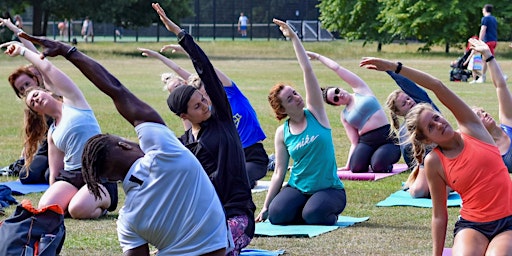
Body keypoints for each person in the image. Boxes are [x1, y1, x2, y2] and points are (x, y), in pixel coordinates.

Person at [20, 30, 232, 256]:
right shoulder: (165, 151)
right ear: (123, 144)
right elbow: (116, 89)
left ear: (110, 178)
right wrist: (68, 51)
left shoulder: (128, 219)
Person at [360, 39, 512, 255]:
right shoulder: (434, 162)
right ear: (427, 140)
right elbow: (439, 215)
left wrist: (395, 68)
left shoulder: (472, 128)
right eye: (431, 126)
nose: (439, 124)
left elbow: (437, 87)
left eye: (436, 118)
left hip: (507, 221)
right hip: (473, 226)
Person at [153, 3, 255, 255]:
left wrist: (181, 34)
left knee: (213, 249)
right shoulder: (184, 143)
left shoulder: (222, 122)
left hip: (236, 216)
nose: (205, 105)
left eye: (204, 99)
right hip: (203, 218)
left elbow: (206, 70)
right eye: (198, 106)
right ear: (184, 116)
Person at [2, 37, 117, 219]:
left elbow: (47, 68)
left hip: (96, 173)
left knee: (77, 210)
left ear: (46, 91)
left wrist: (22, 50)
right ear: (37, 111)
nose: (36, 99)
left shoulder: (74, 101)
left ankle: (100, 204)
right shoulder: (53, 132)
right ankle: (77, 200)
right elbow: (54, 173)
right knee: (46, 207)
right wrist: (54, 190)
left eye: (36, 95)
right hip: (72, 176)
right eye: (33, 103)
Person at [255, 19, 346, 226]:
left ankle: (315, 211)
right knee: (276, 216)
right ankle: (305, 209)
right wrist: (266, 206)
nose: (297, 97)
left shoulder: (316, 113)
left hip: (329, 189)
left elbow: (307, 71)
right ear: (282, 110)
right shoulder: (282, 132)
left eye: (295, 93)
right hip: (298, 187)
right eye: (290, 99)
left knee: (313, 215)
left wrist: (294, 37)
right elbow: (279, 172)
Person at [139, 45, 269, 189]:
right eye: (202, 96)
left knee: (236, 179)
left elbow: (206, 67)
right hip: (228, 158)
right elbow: (191, 139)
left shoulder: (232, 94)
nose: (206, 98)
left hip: (253, 156)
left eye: (207, 92)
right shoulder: (207, 112)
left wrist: (188, 50)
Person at [307, 51, 401, 173]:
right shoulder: (344, 116)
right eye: (335, 99)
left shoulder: (360, 89)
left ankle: (381, 161)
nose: (338, 95)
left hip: (386, 138)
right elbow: (354, 141)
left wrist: (318, 56)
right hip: (366, 142)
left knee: (378, 166)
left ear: (340, 87)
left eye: (336, 91)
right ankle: (371, 158)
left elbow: (337, 68)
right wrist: (348, 166)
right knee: (356, 168)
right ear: (337, 104)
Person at [381, 71, 440, 198]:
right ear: (399, 113)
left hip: (445, 158)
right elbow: (412, 160)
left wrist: (391, 69)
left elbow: (412, 88)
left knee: (438, 190)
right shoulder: (405, 131)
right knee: (418, 192)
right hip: (428, 165)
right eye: (404, 104)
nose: (409, 102)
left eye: (408, 98)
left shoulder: (426, 107)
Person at [476, 4, 497, 83]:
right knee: (488, 59)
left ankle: (483, 77)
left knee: (487, 59)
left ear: (485, 10)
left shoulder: (485, 19)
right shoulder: (494, 19)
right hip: (494, 40)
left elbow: (483, 29)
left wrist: (480, 41)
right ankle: (483, 76)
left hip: (488, 41)